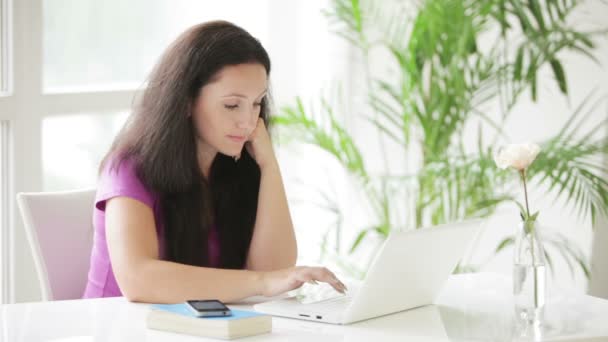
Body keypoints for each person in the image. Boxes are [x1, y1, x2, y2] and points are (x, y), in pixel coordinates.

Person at [82, 20, 346, 303]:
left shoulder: (236, 166)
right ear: (185, 100)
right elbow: (139, 280)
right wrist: (261, 281)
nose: (248, 121)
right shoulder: (128, 168)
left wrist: (269, 166)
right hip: (116, 327)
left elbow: (274, 272)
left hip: (192, 329)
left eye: (257, 103)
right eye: (232, 105)